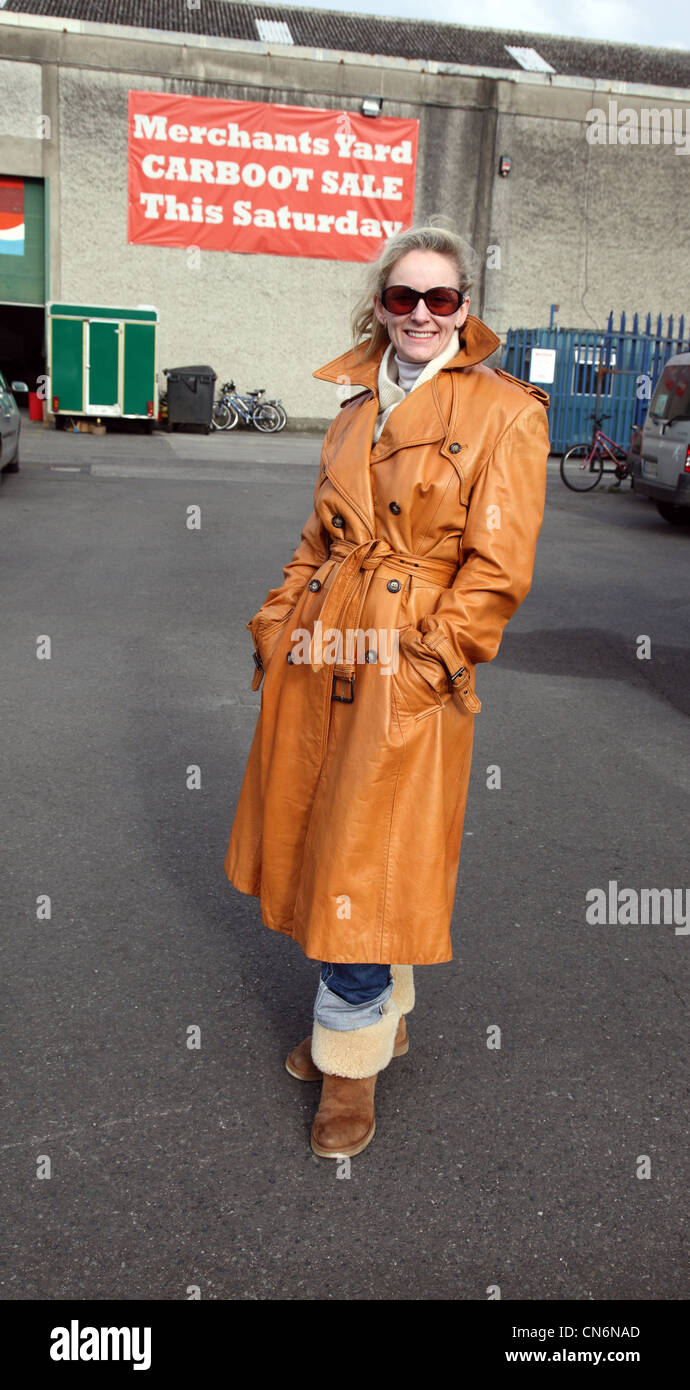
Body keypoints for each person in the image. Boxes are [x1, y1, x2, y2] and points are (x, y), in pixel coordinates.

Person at [224, 223, 551, 1159]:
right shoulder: (353, 404)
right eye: (402, 297)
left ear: (465, 307)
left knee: (364, 860)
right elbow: (317, 541)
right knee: (324, 841)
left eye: (440, 298)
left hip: (402, 665)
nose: (419, 314)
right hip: (321, 650)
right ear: (379, 303)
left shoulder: (503, 412)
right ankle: (377, 1014)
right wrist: (274, 625)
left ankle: (352, 1061)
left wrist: (427, 664)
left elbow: (496, 573)